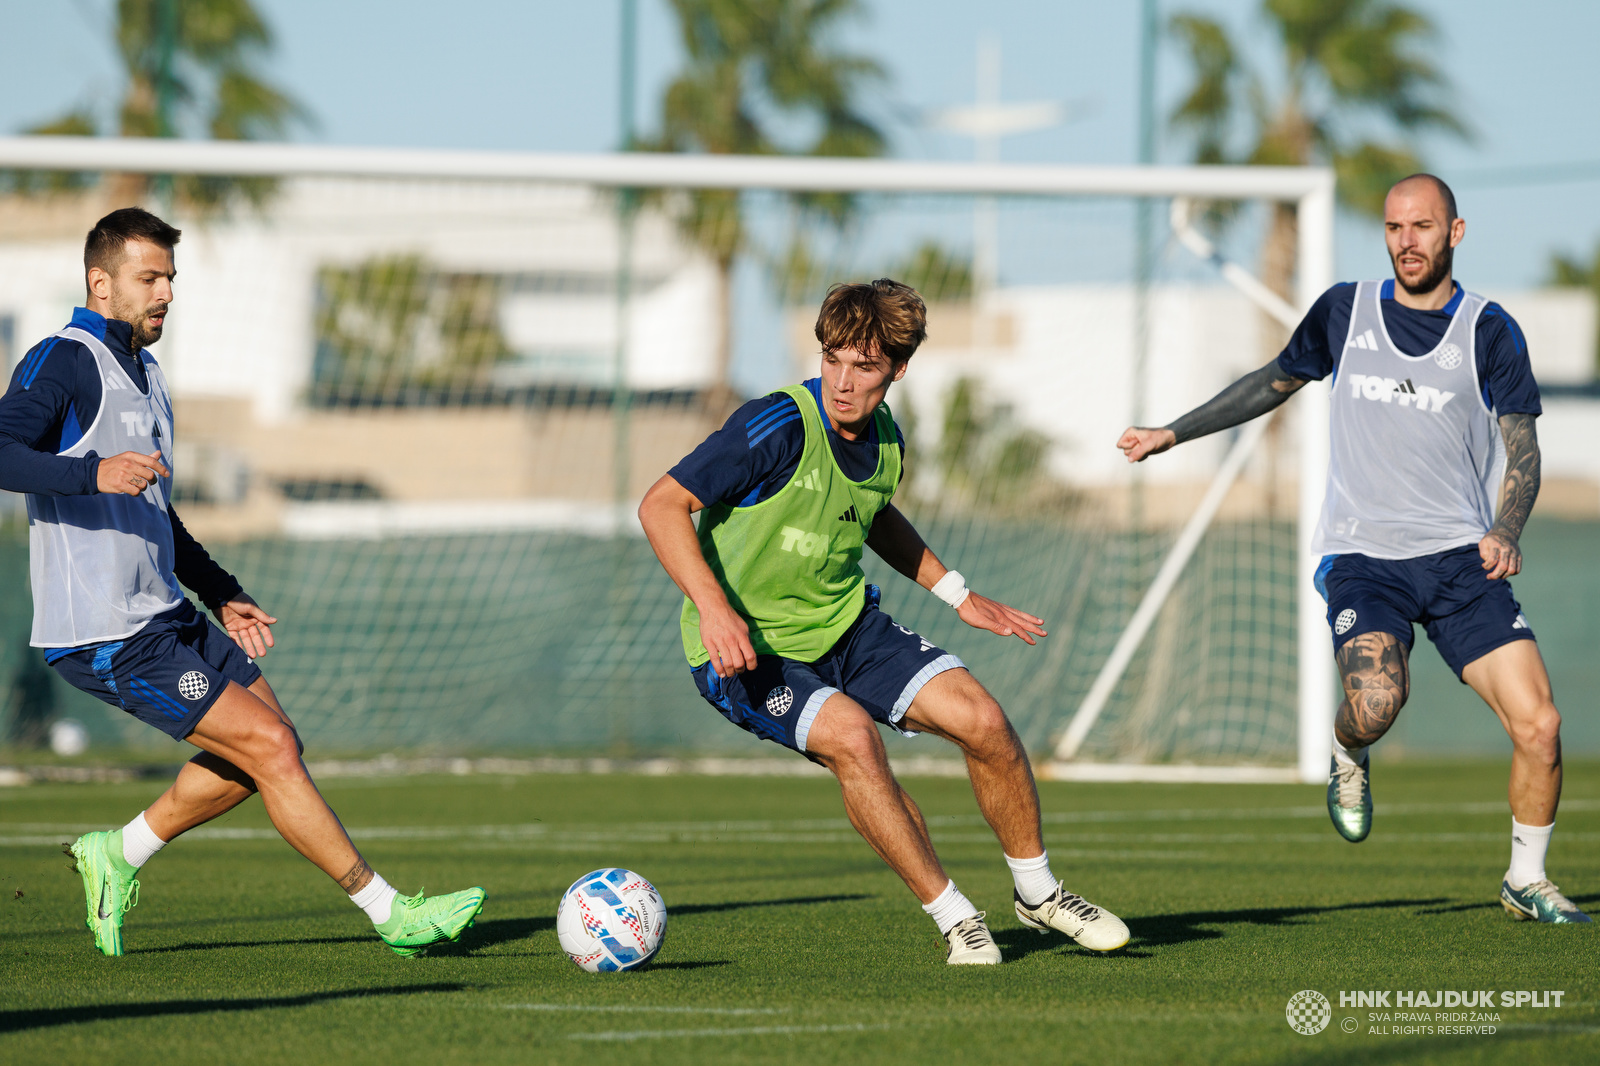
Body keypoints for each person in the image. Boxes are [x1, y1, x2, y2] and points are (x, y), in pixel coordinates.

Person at [0, 208, 488, 956]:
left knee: (271, 748)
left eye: (170, 277)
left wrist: (221, 591)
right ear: (100, 282)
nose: (165, 291)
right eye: (148, 277)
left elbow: (159, 512)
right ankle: (391, 913)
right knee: (270, 748)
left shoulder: (150, 375)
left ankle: (119, 853)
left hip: (165, 612)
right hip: (107, 632)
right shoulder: (61, 359)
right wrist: (91, 471)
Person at [1117, 175, 1587, 923]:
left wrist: (1506, 529)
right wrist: (1173, 432)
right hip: (1365, 558)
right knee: (1375, 703)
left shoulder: (1489, 330)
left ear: (1455, 233)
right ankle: (1348, 755)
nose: (1407, 240)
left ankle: (1524, 878)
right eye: (1395, 226)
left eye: (1423, 226)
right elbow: (1274, 381)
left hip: (1461, 563)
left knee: (1542, 726)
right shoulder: (1345, 309)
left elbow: (1521, 448)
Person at [639, 279, 1129, 964]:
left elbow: (873, 518)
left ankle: (1039, 894)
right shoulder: (776, 424)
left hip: (848, 628)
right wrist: (716, 609)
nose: (842, 382)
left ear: (897, 370)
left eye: (863, 367)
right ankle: (957, 917)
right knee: (853, 738)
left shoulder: (886, 441)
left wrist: (957, 592)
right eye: (831, 359)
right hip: (748, 653)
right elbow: (662, 504)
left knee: (984, 720)